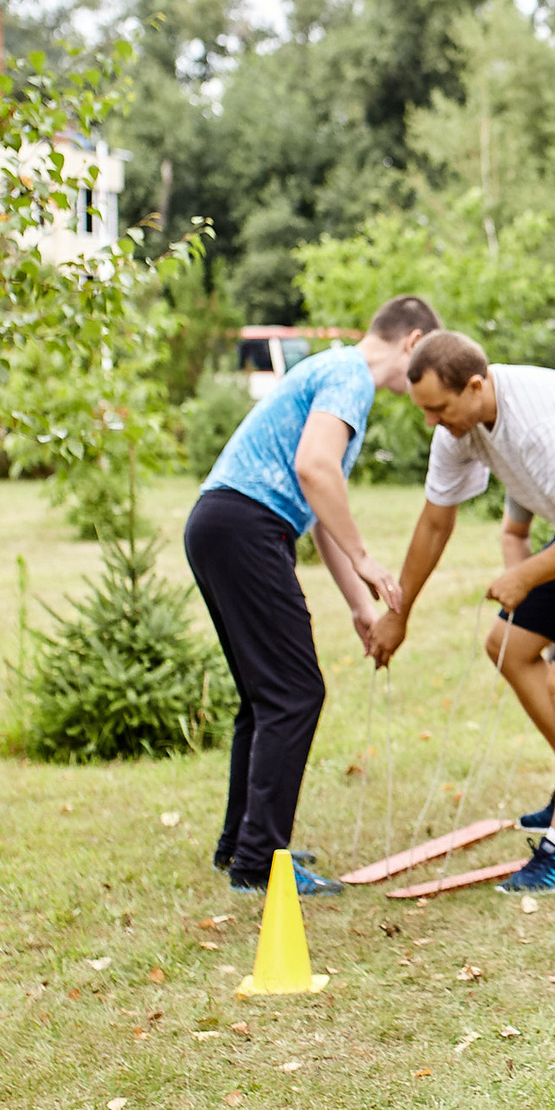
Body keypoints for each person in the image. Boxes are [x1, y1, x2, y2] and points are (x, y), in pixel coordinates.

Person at [366, 331, 555, 894]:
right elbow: (435, 522)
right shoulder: (460, 427)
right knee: (506, 645)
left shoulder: (535, 424)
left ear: (477, 385)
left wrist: (524, 574)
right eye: (425, 410)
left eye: (439, 408)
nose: (433, 422)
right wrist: (400, 613)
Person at [187, 296, 436, 896]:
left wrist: (358, 605)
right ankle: (257, 861)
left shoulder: (332, 372)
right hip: (246, 525)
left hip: (221, 522)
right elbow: (314, 470)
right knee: (295, 694)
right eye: (426, 356)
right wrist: (366, 560)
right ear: (412, 341)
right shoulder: (349, 376)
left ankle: (241, 847)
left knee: (266, 696)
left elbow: (320, 513)